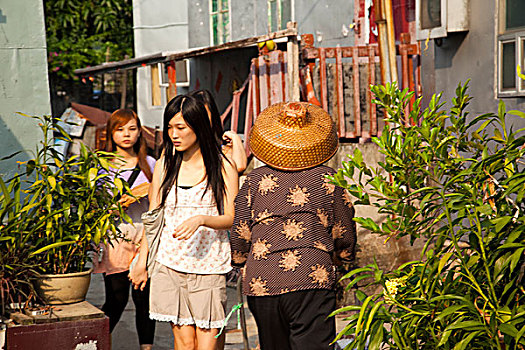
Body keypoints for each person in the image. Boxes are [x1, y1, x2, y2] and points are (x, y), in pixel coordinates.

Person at [230, 102, 357, 350]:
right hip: (312, 275)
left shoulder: (254, 180)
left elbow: (240, 232)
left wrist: (240, 260)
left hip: (263, 278)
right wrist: (343, 258)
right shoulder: (329, 179)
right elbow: (345, 230)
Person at [130, 95, 239, 350]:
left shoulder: (223, 165)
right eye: (170, 127)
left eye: (181, 128)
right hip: (169, 264)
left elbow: (232, 217)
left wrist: (202, 219)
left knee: (208, 344)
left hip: (209, 266)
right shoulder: (165, 164)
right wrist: (142, 260)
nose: (174, 134)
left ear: (198, 127)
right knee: (184, 344)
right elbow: (154, 217)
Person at [93, 109, 156, 350]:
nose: (126, 134)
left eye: (131, 128)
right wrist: (117, 204)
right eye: (120, 129)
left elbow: (159, 203)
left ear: (140, 131)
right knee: (117, 298)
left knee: (144, 299)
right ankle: (96, 343)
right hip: (116, 237)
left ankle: (146, 347)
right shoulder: (102, 166)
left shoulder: (150, 164)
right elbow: (95, 206)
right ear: (111, 134)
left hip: (145, 235)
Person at [189, 89, 247, 174]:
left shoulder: (222, 146)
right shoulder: (184, 145)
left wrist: (235, 137)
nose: (202, 122)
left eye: (205, 116)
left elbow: (239, 166)